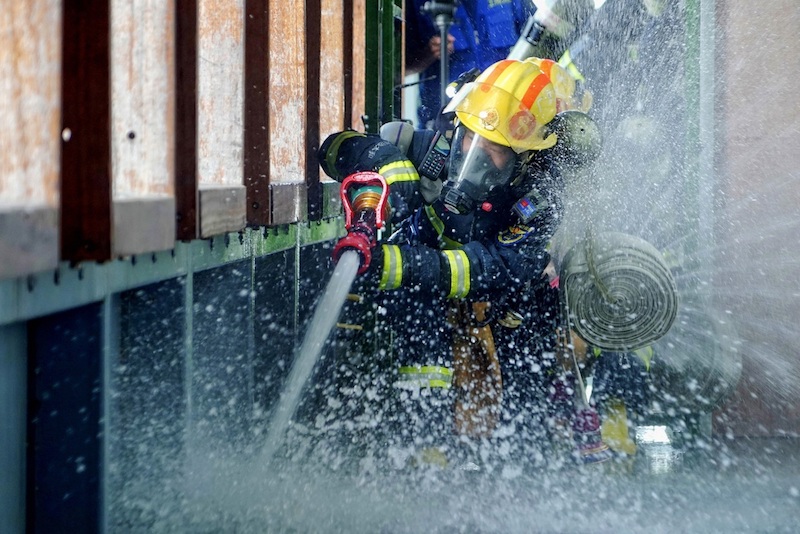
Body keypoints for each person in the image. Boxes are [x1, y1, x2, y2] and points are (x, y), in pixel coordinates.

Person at [319, 58, 602, 470]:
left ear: (527, 158)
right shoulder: (427, 148)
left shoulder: (539, 202)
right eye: (471, 138)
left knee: (524, 407)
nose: (476, 154)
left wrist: (392, 263)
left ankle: (522, 475)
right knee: (418, 371)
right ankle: (413, 455)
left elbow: (491, 268)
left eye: (496, 149)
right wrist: (383, 162)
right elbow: (331, 147)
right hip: (423, 307)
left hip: (505, 311)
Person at [404, 0, 595, 127]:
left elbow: (544, 41)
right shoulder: (416, 3)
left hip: (509, 122)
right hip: (446, 124)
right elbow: (399, 69)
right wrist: (428, 54)